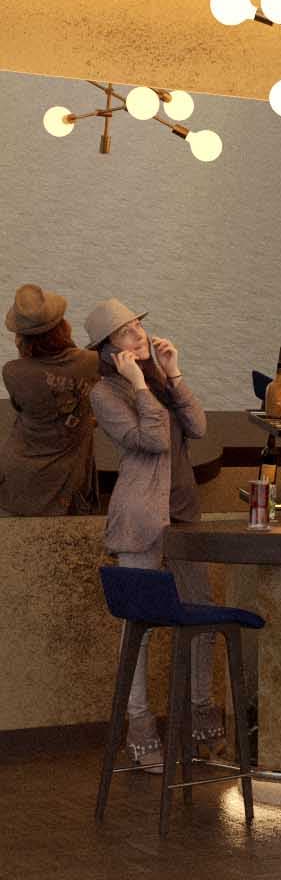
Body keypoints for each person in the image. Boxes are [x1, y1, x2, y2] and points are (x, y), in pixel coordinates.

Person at [86, 298, 222, 772]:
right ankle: (141, 733)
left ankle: (200, 720)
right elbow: (153, 440)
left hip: (184, 515)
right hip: (142, 519)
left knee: (203, 620)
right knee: (139, 630)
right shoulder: (105, 392)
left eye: (138, 325)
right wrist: (140, 385)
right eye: (126, 332)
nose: (139, 334)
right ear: (109, 350)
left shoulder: (160, 379)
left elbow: (198, 427)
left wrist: (173, 372)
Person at [0, 284, 100, 516]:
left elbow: (20, 407)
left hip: (20, 470)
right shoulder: (93, 361)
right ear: (63, 327)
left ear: (21, 338)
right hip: (70, 472)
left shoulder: (13, 371)